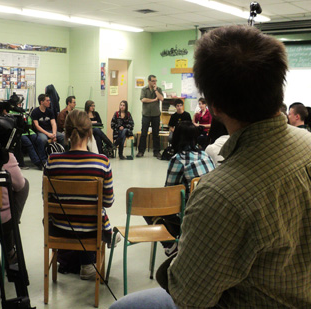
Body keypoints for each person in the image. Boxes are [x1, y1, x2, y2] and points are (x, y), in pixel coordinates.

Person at [110, 25, 311, 308]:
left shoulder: (220, 195)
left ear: (214, 106)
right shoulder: (307, 143)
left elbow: (188, 296)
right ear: (278, 87)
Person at [44, 109, 115, 280]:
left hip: (58, 229)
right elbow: (108, 201)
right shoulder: (102, 162)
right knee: (99, 212)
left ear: (65, 132)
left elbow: (46, 199)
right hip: (90, 229)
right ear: (90, 133)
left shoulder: (52, 161)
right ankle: (93, 257)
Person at [144, 121, 215, 255]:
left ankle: (171, 244)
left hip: (189, 214)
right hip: (209, 211)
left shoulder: (178, 159)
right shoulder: (206, 155)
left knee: (148, 207)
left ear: (176, 138)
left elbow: (168, 193)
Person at [137, 75, 164, 159]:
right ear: (148, 81)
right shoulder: (144, 89)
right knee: (144, 133)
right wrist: (153, 100)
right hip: (146, 115)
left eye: (155, 80)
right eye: (153, 81)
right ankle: (141, 151)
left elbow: (161, 98)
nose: (154, 82)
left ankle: (156, 152)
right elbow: (143, 99)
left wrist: (156, 90)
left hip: (156, 115)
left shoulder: (158, 89)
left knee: (156, 134)